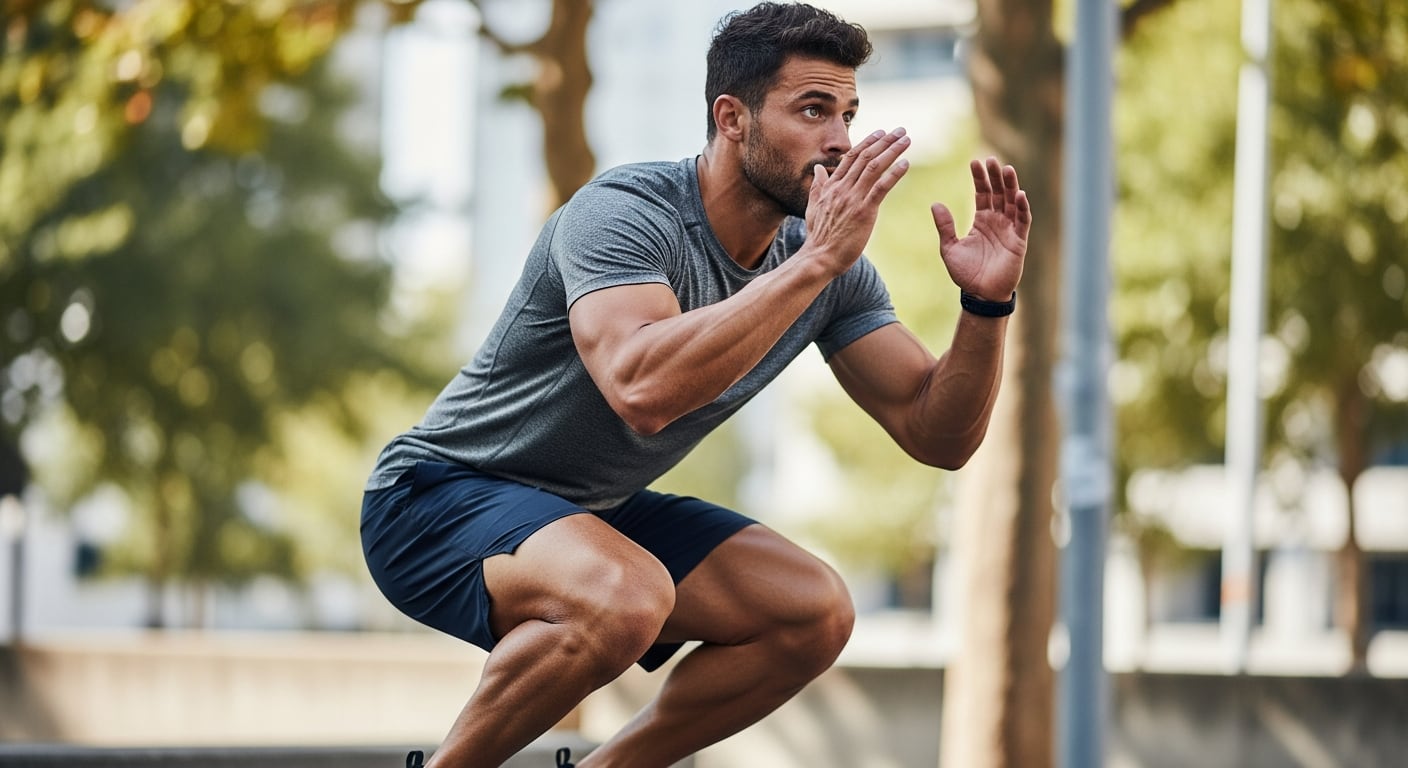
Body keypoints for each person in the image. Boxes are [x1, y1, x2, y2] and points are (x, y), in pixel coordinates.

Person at [363, 2, 1031, 766]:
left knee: (812, 613)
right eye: (813, 110)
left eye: (848, 112)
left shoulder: (828, 265)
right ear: (732, 118)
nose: (840, 140)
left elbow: (935, 433)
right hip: (432, 498)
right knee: (626, 595)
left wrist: (985, 306)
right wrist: (814, 265)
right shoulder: (627, 214)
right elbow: (641, 389)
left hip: (589, 514)